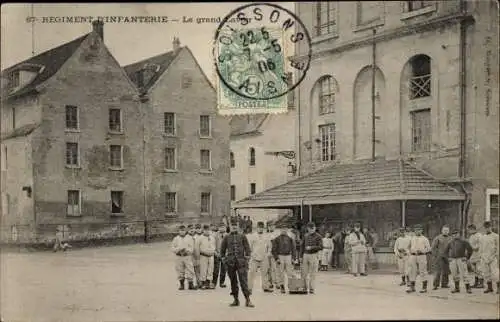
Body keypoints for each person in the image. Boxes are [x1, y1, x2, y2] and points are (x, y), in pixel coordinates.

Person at [220, 218, 254, 307]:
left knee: (244, 281)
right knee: (233, 282)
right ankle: (236, 300)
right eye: (232, 226)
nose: (234, 227)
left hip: (241, 262)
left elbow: (247, 249)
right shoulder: (226, 237)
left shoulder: (242, 236)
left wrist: (246, 259)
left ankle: (248, 300)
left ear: (238, 226)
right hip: (230, 263)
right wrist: (224, 260)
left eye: (235, 226)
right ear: (230, 227)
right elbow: (222, 250)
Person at [247, 221, 273, 294]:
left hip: (264, 257)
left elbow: (270, 246)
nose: (260, 229)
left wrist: (268, 254)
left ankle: (265, 287)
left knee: (265, 273)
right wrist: (252, 254)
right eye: (259, 228)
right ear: (256, 228)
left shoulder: (266, 236)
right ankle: (249, 288)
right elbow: (249, 247)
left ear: (263, 228)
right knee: (251, 272)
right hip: (254, 257)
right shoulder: (252, 236)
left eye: (261, 228)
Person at [445, 229, 473, 294]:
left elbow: (470, 249)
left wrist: (466, 257)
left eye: (456, 234)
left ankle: (468, 288)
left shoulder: (464, 241)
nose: (455, 235)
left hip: (461, 259)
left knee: (464, 273)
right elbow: (445, 252)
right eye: (454, 234)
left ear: (459, 234)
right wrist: (448, 258)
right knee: (454, 274)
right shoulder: (450, 242)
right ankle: (457, 288)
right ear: (452, 235)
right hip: (453, 260)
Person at [406, 224, 431, 293]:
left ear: (422, 230)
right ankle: (412, 287)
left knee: (422, 271)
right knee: (412, 271)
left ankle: (424, 287)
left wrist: (422, 251)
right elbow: (408, 247)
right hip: (413, 256)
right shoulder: (412, 238)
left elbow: (429, 248)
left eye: (419, 230)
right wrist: (409, 252)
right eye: (416, 230)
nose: (418, 231)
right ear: (414, 231)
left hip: (421, 256)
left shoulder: (425, 239)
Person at [272, 227, 297, 293]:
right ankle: (282, 286)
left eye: (285, 229)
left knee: (290, 272)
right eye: (282, 229)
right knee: (280, 272)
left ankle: (291, 286)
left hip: (288, 256)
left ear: (287, 230)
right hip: (280, 256)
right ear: (280, 230)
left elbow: (293, 249)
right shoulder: (276, 239)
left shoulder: (290, 239)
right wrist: (276, 258)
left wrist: (294, 258)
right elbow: (274, 250)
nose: (284, 230)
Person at [300, 222, 323, 294]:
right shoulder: (305, 235)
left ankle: (311, 288)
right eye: (310, 229)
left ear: (315, 228)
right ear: (308, 229)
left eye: (313, 228)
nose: (311, 230)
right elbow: (302, 246)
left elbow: (321, 247)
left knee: (313, 273)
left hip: (313, 255)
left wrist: (312, 247)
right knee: (304, 273)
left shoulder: (319, 236)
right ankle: (304, 287)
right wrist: (300, 256)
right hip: (305, 255)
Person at [172, 225, 196, 290]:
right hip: (179, 256)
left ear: (186, 231)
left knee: (190, 269)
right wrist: (179, 249)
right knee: (180, 269)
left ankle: (190, 284)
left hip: (187, 256)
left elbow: (192, 248)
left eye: (183, 230)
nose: (182, 232)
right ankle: (181, 285)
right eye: (181, 230)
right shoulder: (176, 238)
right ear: (179, 231)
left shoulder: (189, 238)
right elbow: (173, 248)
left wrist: (187, 250)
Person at [479, 221, 499, 294]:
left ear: (491, 227)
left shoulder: (496, 236)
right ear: (484, 228)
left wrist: (493, 256)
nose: (487, 229)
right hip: (484, 258)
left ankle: (498, 288)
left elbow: (497, 248)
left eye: (489, 227)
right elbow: (481, 249)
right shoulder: (482, 237)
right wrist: (482, 257)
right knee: (486, 273)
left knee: (495, 273)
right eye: (486, 227)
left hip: (492, 258)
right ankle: (489, 288)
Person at [431, 225, 452, 290]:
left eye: (447, 231)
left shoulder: (450, 238)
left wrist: (450, 256)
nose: (446, 232)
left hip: (447, 256)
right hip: (439, 257)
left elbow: (452, 248)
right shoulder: (437, 238)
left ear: (448, 231)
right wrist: (435, 255)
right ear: (442, 231)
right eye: (444, 230)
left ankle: (444, 284)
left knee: (446, 270)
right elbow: (433, 247)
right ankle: (435, 285)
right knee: (438, 271)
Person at [198, 224, 216, 289]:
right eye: (206, 230)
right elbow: (198, 248)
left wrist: (212, 252)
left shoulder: (212, 238)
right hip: (203, 256)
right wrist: (202, 253)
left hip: (211, 256)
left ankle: (208, 283)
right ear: (203, 230)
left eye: (208, 230)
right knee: (203, 269)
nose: (207, 231)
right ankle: (203, 283)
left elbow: (214, 246)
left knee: (210, 269)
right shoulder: (200, 238)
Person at [467, 224, 484, 288]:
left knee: (479, 269)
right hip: (473, 254)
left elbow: (481, 244)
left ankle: (481, 283)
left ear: (473, 229)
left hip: (479, 253)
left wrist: (476, 247)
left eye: (470, 229)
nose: (469, 231)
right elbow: (470, 245)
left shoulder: (479, 235)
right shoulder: (471, 236)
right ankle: (476, 283)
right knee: (474, 269)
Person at [213, 223, 227, 288]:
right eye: (220, 227)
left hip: (225, 255)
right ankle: (214, 283)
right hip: (217, 254)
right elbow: (212, 245)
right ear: (218, 228)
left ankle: (222, 282)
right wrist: (216, 253)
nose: (222, 228)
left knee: (223, 270)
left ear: (225, 228)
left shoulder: (227, 235)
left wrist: (226, 254)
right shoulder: (215, 235)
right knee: (216, 269)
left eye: (223, 227)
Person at [266, 222, 279, 290]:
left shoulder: (276, 234)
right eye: (269, 226)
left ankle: (277, 283)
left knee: (275, 268)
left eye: (272, 226)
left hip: (274, 254)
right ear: (268, 227)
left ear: (274, 226)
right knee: (268, 269)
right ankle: (270, 283)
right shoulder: (266, 235)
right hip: (267, 254)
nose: (271, 227)